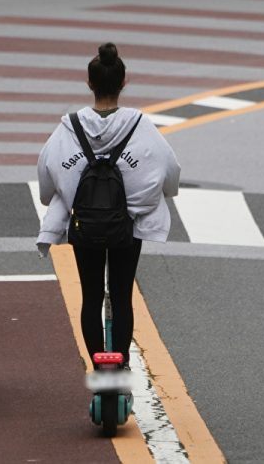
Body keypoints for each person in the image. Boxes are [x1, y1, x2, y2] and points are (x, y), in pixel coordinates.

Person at [36, 42, 180, 368]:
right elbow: (170, 171)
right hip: (125, 228)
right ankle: (120, 364)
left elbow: (47, 174)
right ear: (124, 82)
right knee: (120, 296)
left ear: (89, 84)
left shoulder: (68, 128)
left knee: (90, 298)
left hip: (83, 227)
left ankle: (100, 368)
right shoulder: (141, 126)